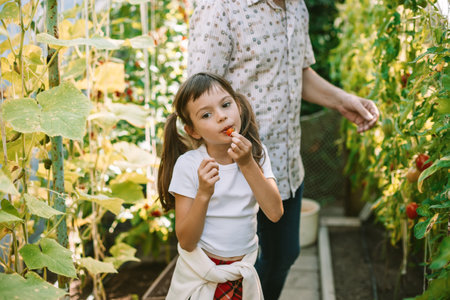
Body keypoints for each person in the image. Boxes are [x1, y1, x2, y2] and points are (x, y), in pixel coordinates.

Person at [187, 1, 380, 299]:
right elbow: (196, 98)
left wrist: (344, 101)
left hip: (285, 165)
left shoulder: (296, 6)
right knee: (230, 269)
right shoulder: (220, 9)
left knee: (282, 256)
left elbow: (298, 74)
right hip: (235, 175)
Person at [157, 72, 283, 299]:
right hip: (201, 274)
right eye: (206, 114)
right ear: (193, 130)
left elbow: (274, 212)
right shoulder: (189, 165)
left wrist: (246, 164)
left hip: (241, 272)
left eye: (226, 105)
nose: (222, 117)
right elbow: (186, 241)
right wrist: (204, 193)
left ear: (239, 107)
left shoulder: (256, 154)